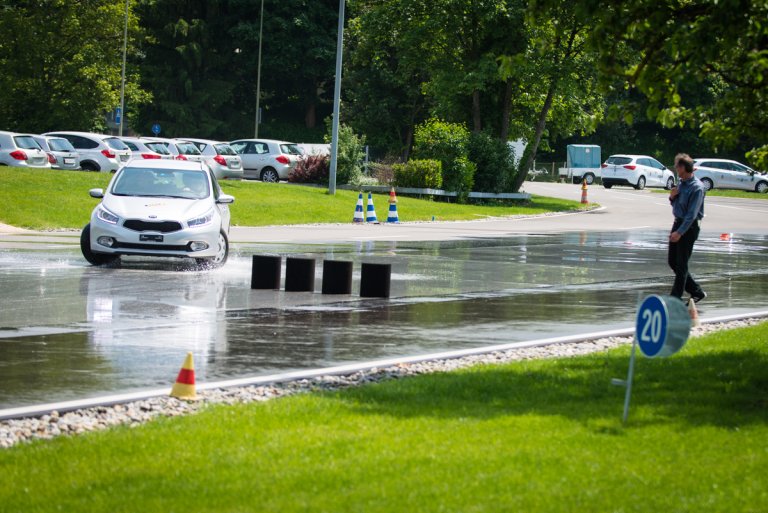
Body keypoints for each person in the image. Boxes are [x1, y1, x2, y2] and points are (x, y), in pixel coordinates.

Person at [668, 153, 706, 303]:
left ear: (683, 167)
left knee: (682, 263)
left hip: (689, 227)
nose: (676, 169)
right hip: (678, 223)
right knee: (673, 261)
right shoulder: (681, 184)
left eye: (677, 166)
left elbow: (691, 214)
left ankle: (674, 299)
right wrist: (672, 197)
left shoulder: (697, 188)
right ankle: (696, 291)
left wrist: (680, 232)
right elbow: (677, 206)